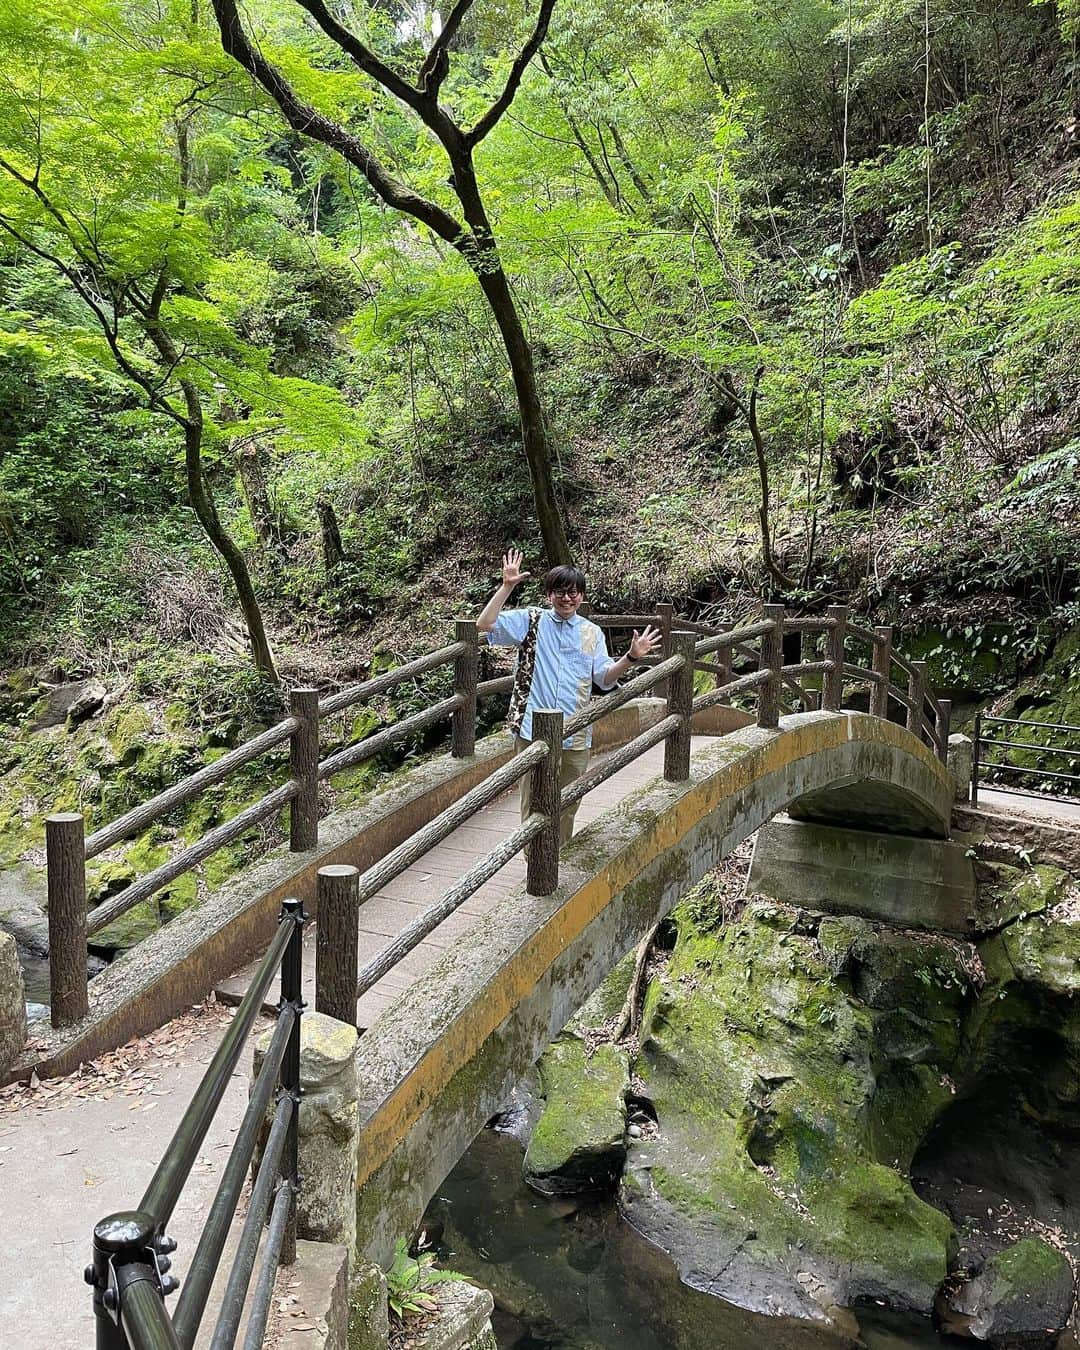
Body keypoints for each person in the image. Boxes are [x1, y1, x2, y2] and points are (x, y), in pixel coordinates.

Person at [477, 549, 662, 844]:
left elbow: (603, 677)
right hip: (532, 728)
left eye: (574, 593)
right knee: (533, 799)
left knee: (568, 801)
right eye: (561, 592)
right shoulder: (531, 620)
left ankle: (558, 855)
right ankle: (534, 861)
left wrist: (630, 657)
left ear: (582, 596)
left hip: (576, 730)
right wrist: (507, 586)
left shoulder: (591, 633)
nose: (567, 598)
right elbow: (485, 626)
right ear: (549, 594)